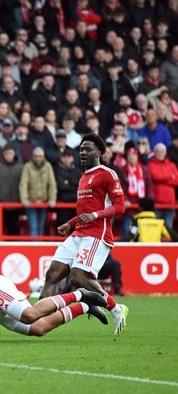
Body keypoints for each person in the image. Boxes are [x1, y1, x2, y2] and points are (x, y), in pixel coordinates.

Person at [41, 133, 129, 335]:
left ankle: (116, 308)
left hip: (97, 234)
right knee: (52, 274)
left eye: (87, 149)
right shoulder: (84, 177)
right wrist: (70, 224)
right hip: (79, 233)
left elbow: (120, 206)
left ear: (99, 152)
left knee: (78, 276)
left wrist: (96, 215)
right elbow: (84, 213)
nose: (83, 152)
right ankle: (40, 318)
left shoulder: (108, 174)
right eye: (81, 149)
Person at [19, 147, 57, 237]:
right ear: (32, 156)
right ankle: (34, 248)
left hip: (43, 202)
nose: (38, 158)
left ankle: (39, 248)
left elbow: (52, 184)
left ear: (43, 156)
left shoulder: (48, 166)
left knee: (41, 226)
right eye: (36, 156)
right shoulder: (27, 166)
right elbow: (23, 184)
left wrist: (52, 198)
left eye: (40, 156)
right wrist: (24, 199)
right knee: (33, 226)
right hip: (31, 203)